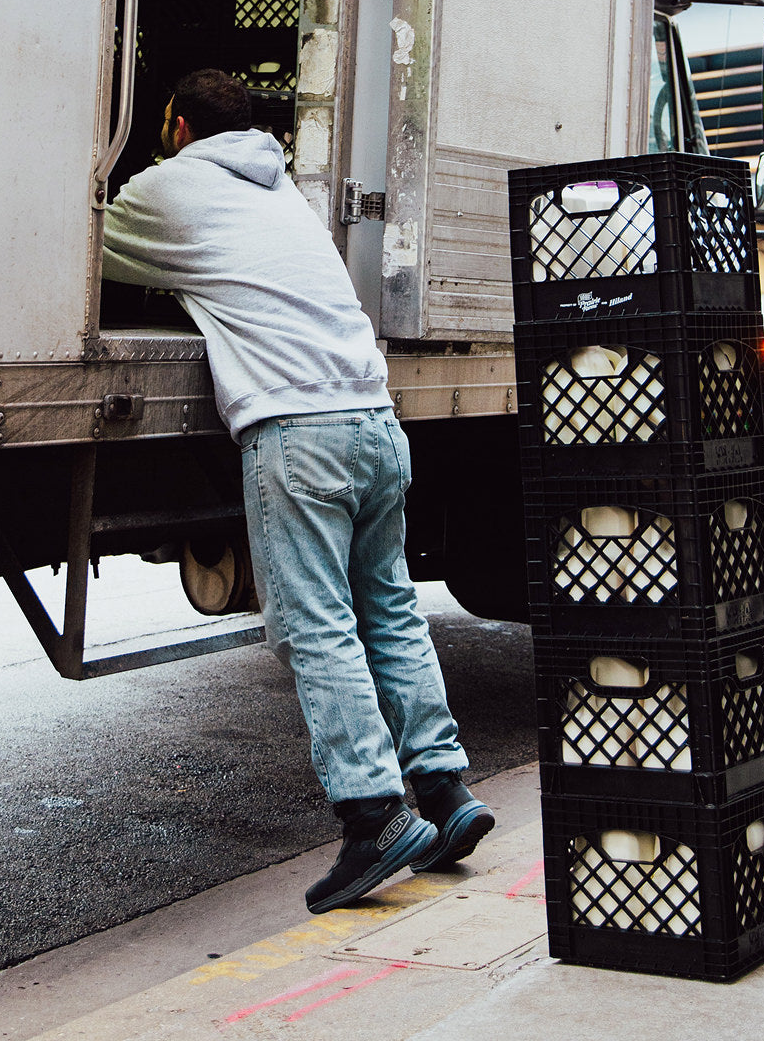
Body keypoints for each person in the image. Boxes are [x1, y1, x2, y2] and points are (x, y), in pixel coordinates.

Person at [101, 69, 494, 914]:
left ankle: (374, 817)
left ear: (174, 125)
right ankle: (446, 792)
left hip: (299, 432)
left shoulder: (172, 186)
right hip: (375, 420)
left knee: (315, 628)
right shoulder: (284, 192)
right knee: (387, 608)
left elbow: (85, 244)